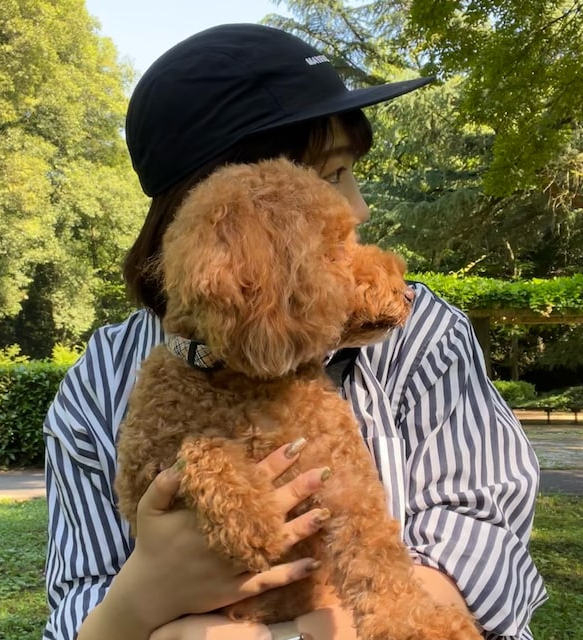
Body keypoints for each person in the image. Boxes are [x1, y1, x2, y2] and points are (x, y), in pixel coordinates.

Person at [43, 23, 547, 640]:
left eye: (351, 171)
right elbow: (76, 603)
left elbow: (485, 552)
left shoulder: (419, 335)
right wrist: (141, 598)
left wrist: (288, 636)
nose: (359, 207)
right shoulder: (99, 385)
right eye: (330, 176)